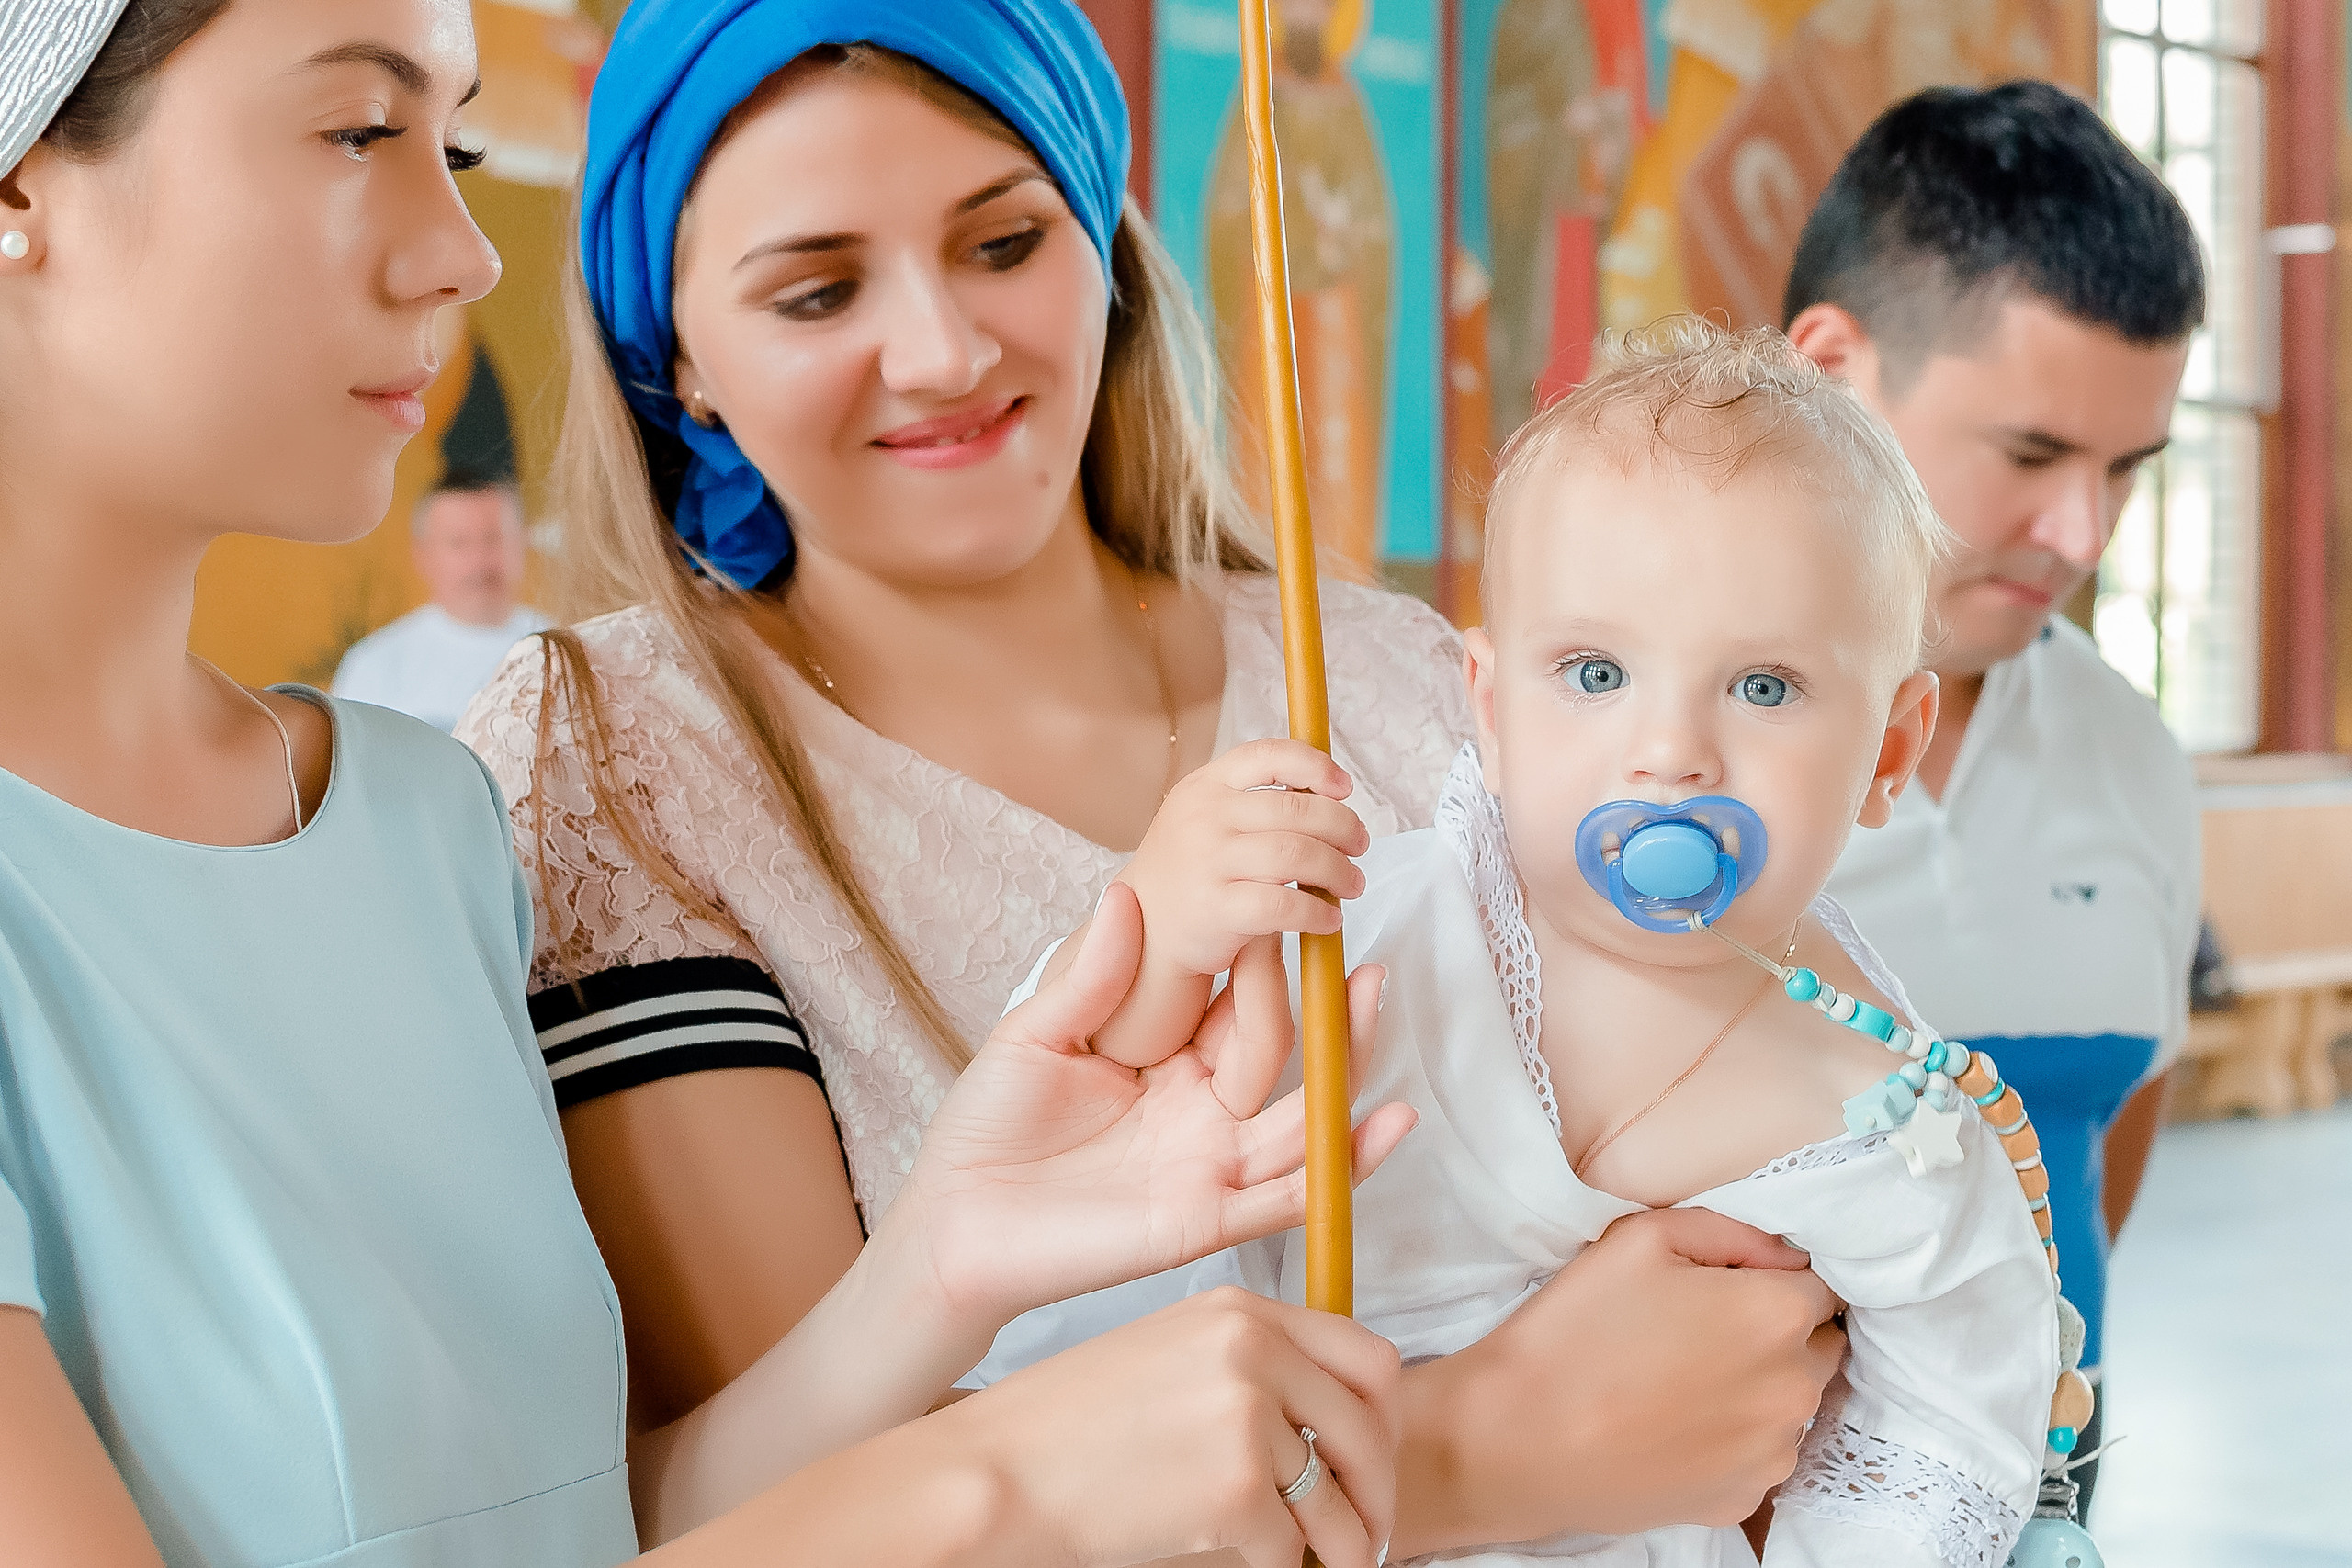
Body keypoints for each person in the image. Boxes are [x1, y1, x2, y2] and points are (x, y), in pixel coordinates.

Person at [0, 3, 1419, 1563]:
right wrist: (1014, 1490)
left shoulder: (417, 828)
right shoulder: (595, 758)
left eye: (458, 142)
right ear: (18, 181)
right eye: (360, 130)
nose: (471, 255)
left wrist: (946, 1259)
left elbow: (593, 1528)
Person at [460, 2, 1849, 1555]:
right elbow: (789, 1513)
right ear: (679, 357)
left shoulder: (1397, 673)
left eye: (1004, 244)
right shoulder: (617, 756)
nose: (941, 350)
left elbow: (1769, 1136)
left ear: (1104, 248)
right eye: (817, 289)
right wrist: (1460, 1458)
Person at [1057, 320, 2074, 1566]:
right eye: (1594, 673)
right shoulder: (1374, 931)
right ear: (1486, 707)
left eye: (1764, 686)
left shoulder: (1880, 1106)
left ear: (1891, 750)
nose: (1670, 752)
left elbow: (1954, 1430)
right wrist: (1170, 937)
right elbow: (1124, 1181)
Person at [1788, 82, 2205, 1515]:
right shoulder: (1629, 766)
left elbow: (2098, 1150)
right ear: (1834, 370)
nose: (2082, 534)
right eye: (2031, 456)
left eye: (2125, 470)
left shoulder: (2131, 752)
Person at [334, 481, 551, 731]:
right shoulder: (374, 667)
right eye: (459, 543)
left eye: (493, 538)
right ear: (423, 555)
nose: (479, 560)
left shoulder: (566, 651)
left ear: (523, 542)